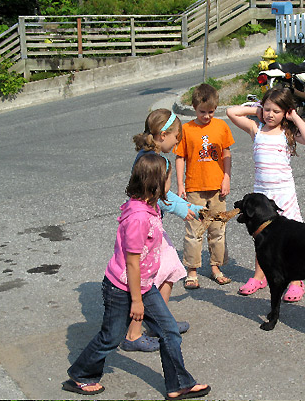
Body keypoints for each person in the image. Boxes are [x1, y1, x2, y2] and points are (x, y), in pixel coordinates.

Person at [63, 153, 211, 400]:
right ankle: (80, 375)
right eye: (168, 180)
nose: (170, 185)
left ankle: (179, 385)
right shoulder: (139, 217)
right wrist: (137, 301)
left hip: (142, 284)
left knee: (169, 331)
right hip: (123, 288)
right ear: (156, 182)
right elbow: (132, 263)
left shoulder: (148, 206)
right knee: (111, 337)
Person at [119, 109, 205, 352]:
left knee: (170, 270)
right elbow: (164, 198)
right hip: (149, 228)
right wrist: (190, 209)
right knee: (149, 280)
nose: (178, 141)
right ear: (163, 135)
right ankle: (134, 334)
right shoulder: (161, 163)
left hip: (150, 224)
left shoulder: (144, 156)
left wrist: (187, 207)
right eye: (176, 136)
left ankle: (160, 322)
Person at [226, 87, 305, 302]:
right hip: (262, 195)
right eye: (267, 109)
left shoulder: (288, 133)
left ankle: (295, 280)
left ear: (285, 112)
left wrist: (294, 115)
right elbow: (231, 112)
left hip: (284, 193)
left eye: (276, 111)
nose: (270, 114)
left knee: (292, 237)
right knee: (261, 236)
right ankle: (260, 275)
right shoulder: (256, 129)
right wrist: (255, 108)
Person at [175, 83, 235, 289]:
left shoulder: (221, 127)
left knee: (218, 229)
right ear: (194, 107)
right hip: (194, 188)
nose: (207, 116)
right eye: (202, 112)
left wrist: (226, 178)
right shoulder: (186, 129)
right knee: (194, 230)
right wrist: (180, 184)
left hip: (217, 188)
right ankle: (192, 270)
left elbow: (226, 153)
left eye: (211, 112)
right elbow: (180, 157)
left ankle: (216, 267)